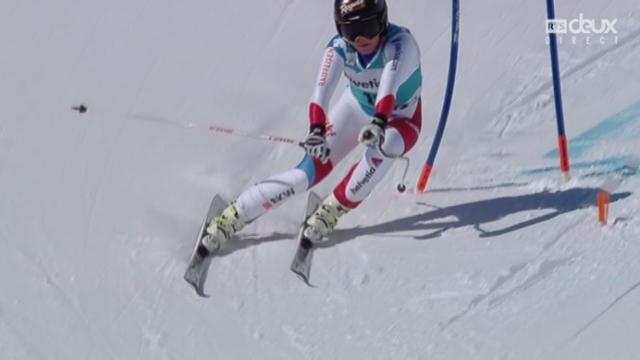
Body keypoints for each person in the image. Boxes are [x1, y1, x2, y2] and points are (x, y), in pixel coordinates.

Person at [199, 0, 423, 255]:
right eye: (351, 31)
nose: (361, 38)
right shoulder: (338, 48)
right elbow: (321, 93)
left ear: (382, 21)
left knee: (386, 148)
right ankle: (236, 213)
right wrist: (316, 130)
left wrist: (380, 123)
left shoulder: (401, 45)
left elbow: (388, 88)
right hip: (356, 109)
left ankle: (334, 207)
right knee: (304, 176)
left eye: (370, 27)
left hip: (400, 119)